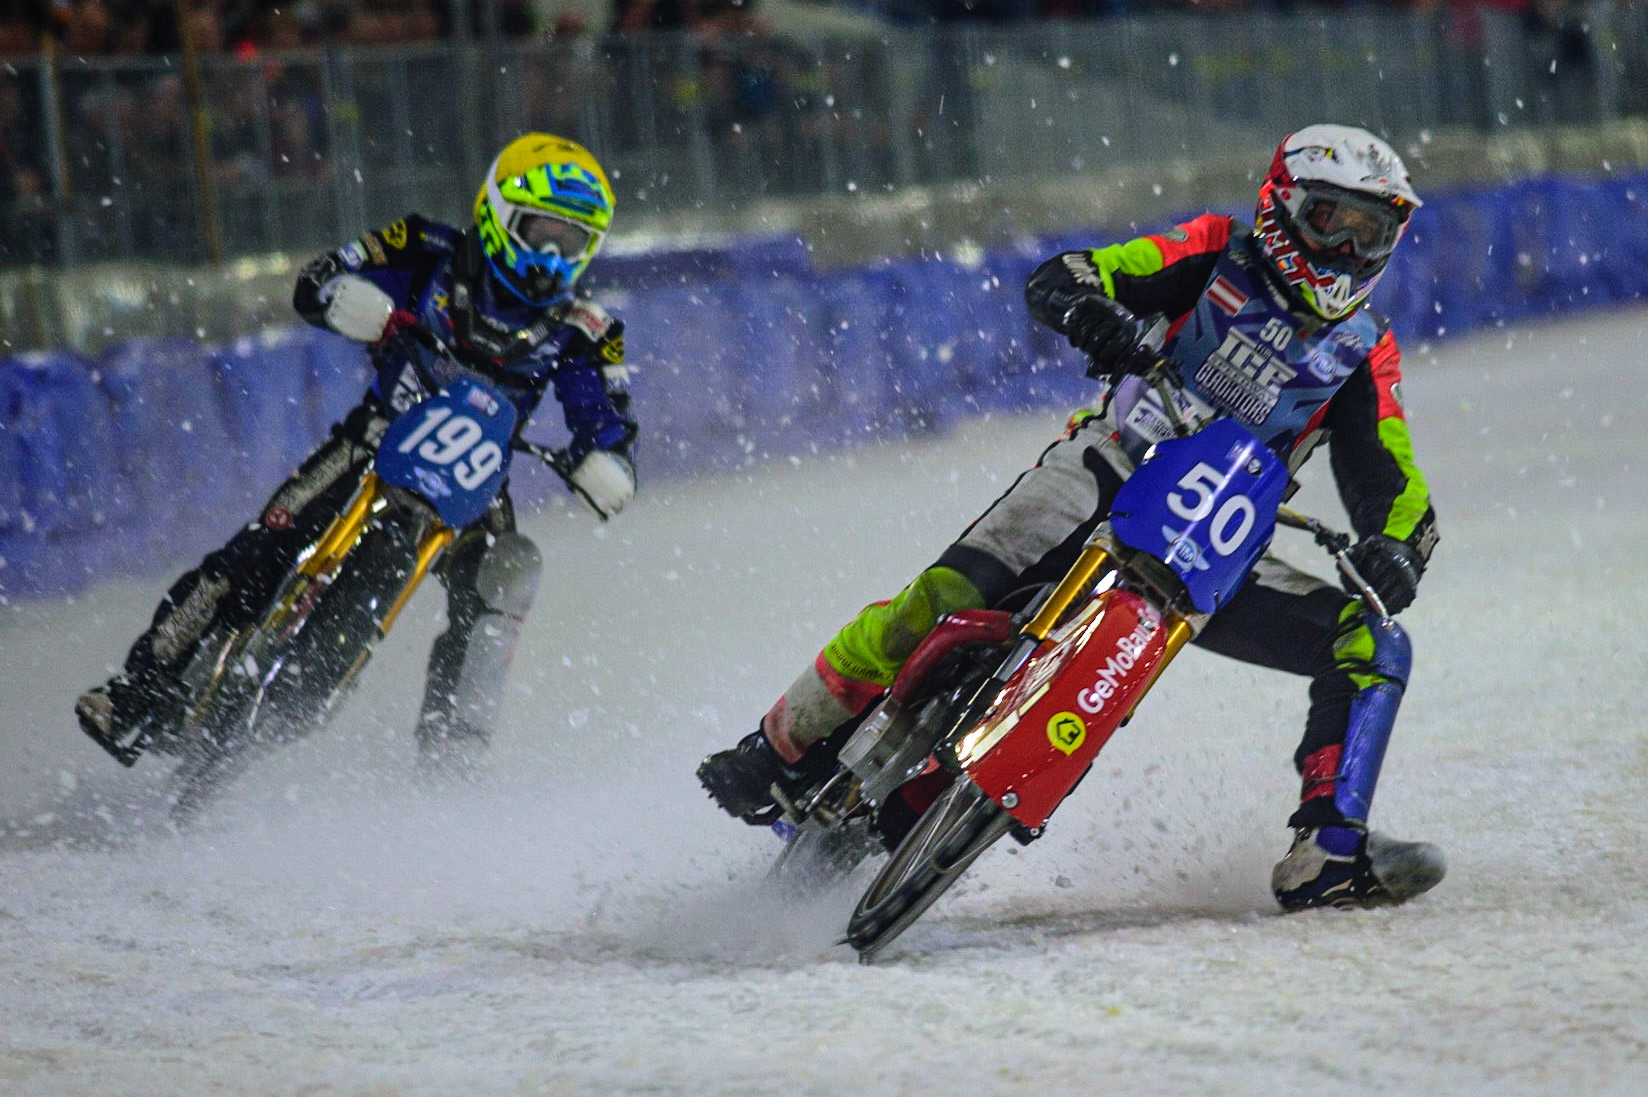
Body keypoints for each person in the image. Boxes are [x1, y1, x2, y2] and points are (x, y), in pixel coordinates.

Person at [699, 123, 1446, 912]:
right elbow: (1075, 273)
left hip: (1220, 546)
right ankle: (780, 742)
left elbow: (1388, 470)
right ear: (1284, 206)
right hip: (1110, 464)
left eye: (1372, 230)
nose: (1348, 248)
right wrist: (1090, 310)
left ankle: (1329, 850)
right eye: (1334, 219)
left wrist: (1398, 546)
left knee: (1374, 641)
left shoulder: (1366, 350)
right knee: (943, 596)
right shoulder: (1215, 248)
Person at [77, 132, 638, 776]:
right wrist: (341, 298)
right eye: (540, 231)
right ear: (498, 214)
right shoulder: (426, 248)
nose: (549, 255)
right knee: (262, 546)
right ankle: (141, 693)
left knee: (507, 571)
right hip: (374, 438)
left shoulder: (588, 332)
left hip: (474, 483)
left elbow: (609, 423)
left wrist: (609, 464)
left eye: (568, 242)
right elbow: (321, 277)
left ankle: (454, 746)